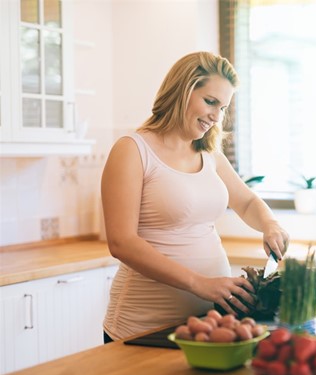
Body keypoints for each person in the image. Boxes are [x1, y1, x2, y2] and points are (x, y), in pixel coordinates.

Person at [101, 51, 289, 342]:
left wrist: (270, 225)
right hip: (144, 326)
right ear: (182, 91)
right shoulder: (132, 150)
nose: (216, 116)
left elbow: (247, 202)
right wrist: (199, 284)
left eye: (223, 107)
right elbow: (121, 243)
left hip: (209, 323)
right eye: (210, 102)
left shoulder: (209, 152)